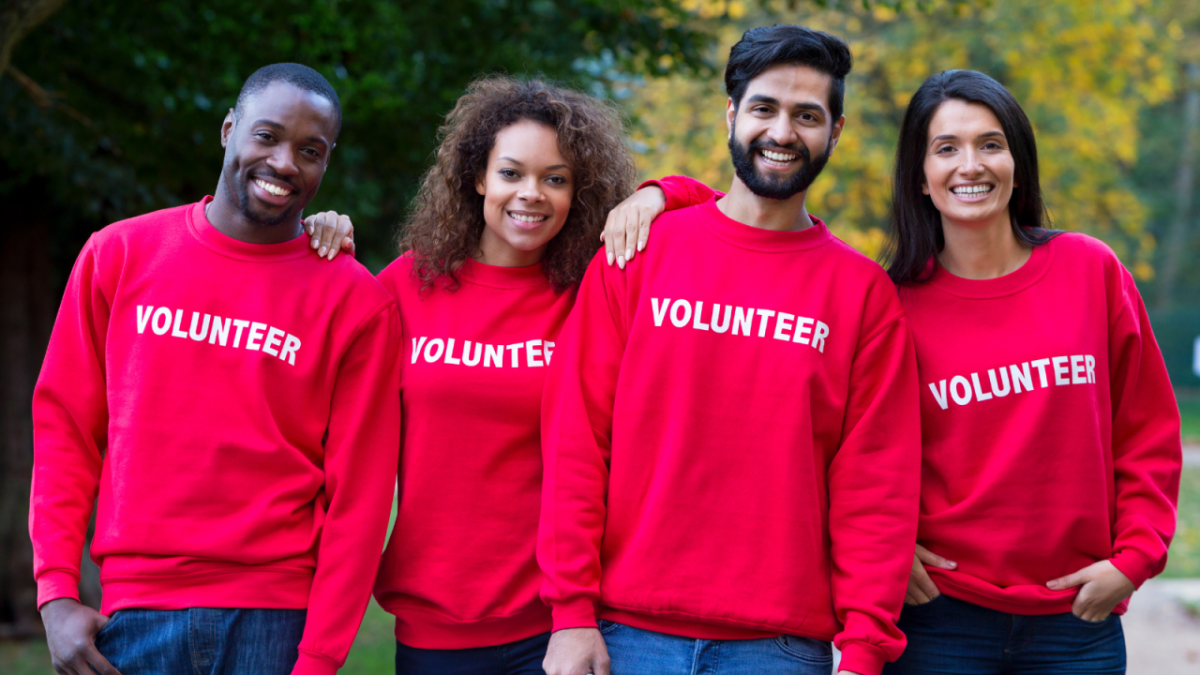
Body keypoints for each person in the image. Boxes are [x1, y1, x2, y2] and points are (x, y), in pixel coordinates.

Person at [620, 69, 1183, 675]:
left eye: (990, 144)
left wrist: (1135, 558)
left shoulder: (1088, 271)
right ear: (919, 175)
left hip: (1077, 619)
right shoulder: (890, 306)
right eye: (946, 149)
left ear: (1018, 160)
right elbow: (858, 460)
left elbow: (1146, 429)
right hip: (940, 619)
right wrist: (670, 191)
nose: (971, 166)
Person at [537, 25, 921, 675]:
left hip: (780, 645)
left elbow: (875, 484)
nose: (782, 132)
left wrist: (864, 647)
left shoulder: (862, 293)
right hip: (628, 631)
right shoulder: (638, 253)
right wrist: (570, 614)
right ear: (731, 115)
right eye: (765, 108)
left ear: (836, 131)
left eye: (808, 115)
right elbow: (578, 437)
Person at [30, 63, 402, 675]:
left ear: (326, 164)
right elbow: (65, 430)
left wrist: (319, 659)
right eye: (266, 136)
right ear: (229, 129)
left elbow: (359, 500)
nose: (284, 162)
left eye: (310, 150)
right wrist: (56, 593)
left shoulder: (353, 301)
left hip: (276, 625)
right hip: (131, 616)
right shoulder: (117, 256)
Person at [308, 76, 640, 675]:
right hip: (434, 627)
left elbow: (721, 215)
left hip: (557, 627)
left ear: (578, 193)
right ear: (479, 177)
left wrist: (661, 193)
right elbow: (317, 365)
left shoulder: (593, 292)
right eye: (512, 173)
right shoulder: (408, 286)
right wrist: (315, 233)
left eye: (555, 179)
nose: (531, 194)